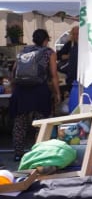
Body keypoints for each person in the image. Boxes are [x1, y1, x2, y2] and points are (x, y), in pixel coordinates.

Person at [9, 29, 61, 162]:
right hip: (39, 91)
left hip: (21, 91)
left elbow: (14, 71)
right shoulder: (49, 53)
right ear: (46, 40)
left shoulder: (23, 51)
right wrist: (57, 93)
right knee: (42, 123)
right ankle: (38, 152)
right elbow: (54, 75)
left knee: (20, 123)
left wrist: (14, 88)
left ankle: (18, 153)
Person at [57, 25, 79, 95]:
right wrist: (70, 56)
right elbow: (58, 56)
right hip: (71, 77)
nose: (76, 36)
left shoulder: (86, 45)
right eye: (74, 34)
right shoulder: (69, 44)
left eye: (77, 34)